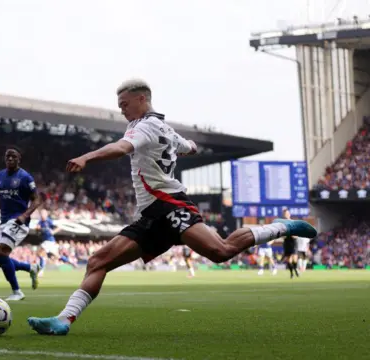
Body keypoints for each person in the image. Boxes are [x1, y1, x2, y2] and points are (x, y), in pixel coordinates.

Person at [27, 79, 317, 335]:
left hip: (170, 204)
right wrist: (188, 144)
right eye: (119, 105)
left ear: (142, 99)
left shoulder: (146, 127)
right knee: (98, 262)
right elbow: (188, 146)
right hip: (150, 215)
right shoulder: (159, 127)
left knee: (221, 251)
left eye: (125, 103)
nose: (122, 109)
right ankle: (64, 320)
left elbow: (121, 148)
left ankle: (283, 226)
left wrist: (87, 157)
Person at [0, 146, 41, 301]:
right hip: (3, 221)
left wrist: (25, 215)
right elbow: (1, 199)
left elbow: (37, 199)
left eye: (13, 157)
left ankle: (17, 292)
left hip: (17, 220)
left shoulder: (25, 177)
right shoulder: (0, 176)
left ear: (18, 159)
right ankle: (31, 268)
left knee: (3, 253)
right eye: (7, 156)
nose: (10, 159)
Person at [281, 209, 300, 279]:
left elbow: (297, 234)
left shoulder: (293, 222)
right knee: (288, 260)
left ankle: (295, 269)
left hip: (294, 242)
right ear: (284, 215)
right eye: (285, 214)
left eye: (287, 213)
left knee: (295, 259)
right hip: (287, 242)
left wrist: (293, 235)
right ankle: (291, 273)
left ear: (289, 214)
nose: (286, 215)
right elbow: (281, 235)